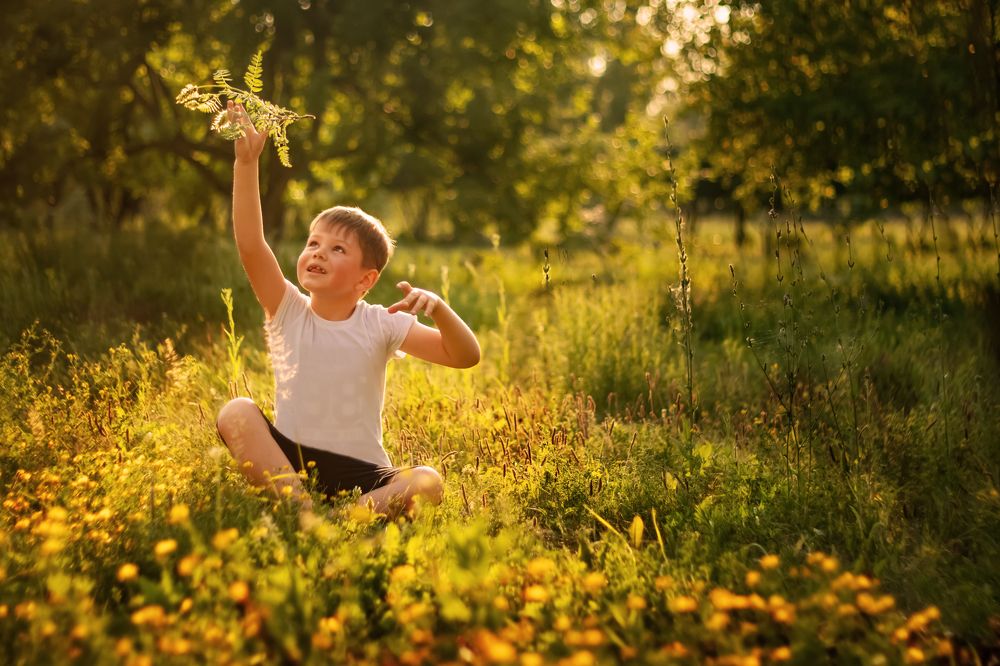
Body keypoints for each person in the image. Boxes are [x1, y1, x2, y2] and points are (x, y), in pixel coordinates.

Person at [215, 101, 480, 523]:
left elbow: (465, 356)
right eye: (314, 243)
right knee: (236, 411)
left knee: (427, 480)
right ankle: (303, 512)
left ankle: (338, 520)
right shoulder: (288, 309)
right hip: (291, 460)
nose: (318, 252)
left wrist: (441, 309)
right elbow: (250, 243)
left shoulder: (382, 323)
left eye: (338, 249)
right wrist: (246, 163)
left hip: (365, 474)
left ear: (365, 280)